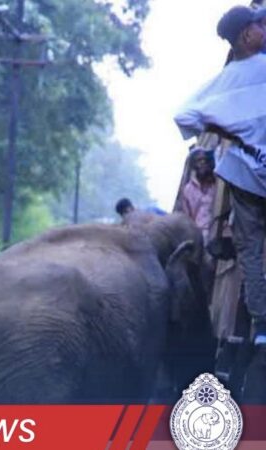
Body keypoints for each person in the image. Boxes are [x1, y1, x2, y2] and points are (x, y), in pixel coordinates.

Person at [175, 4, 266, 397]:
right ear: (248, 35)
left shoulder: (224, 81)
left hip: (246, 176)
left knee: (250, 252)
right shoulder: (260, 70)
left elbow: (185, 116)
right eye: (261, 24)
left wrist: (222, 124)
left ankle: (261, 326)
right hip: (252, 175)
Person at [180, 148, 218, 241]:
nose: (202, 163)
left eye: (204, 160)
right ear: (193, 165)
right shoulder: (188, 190)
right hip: (198, 236)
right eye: (199, 160)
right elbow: (188, 218)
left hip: (216, 233)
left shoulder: (216, 186)